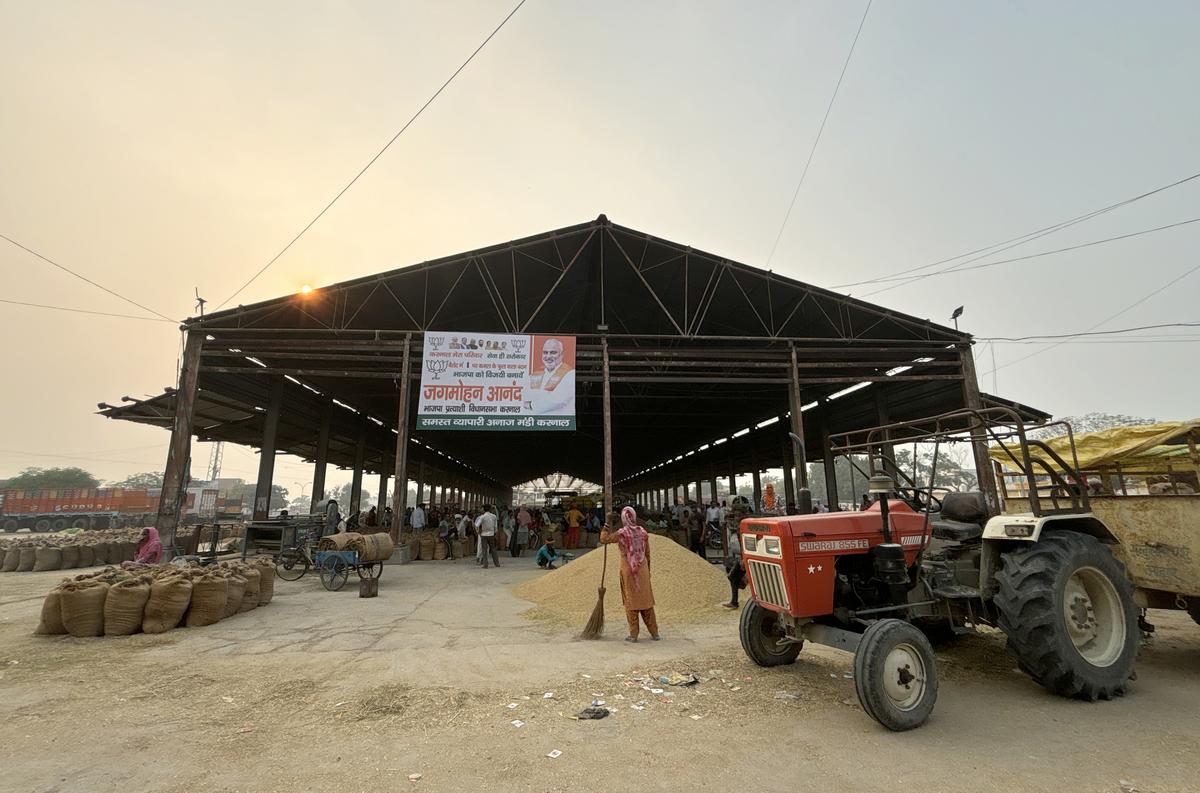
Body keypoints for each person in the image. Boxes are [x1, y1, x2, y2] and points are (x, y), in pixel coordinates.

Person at [600, 506, 660, 643]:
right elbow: (647, 554)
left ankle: (633, 635)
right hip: (642, 569)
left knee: (631, 601)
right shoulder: (643, 532)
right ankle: (655, 633)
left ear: (623, 519)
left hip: (628, 570)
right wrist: (647, 571)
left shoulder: (622, 533)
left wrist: (607, 523)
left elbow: (604, 539)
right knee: (646, 601)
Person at [524, 337, 575, 415]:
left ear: (562, 355)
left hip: (560, 424)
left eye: (553, 352)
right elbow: (524, 398)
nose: (548, 356)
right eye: (545, 352)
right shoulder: (534, 375)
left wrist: (531, 405)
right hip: (535, 424)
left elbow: (557, 400)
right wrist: (546, 396)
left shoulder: (570, 374)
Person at [722, 527, 745, 608]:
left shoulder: (741, 530)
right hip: (742, 558)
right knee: (732, 576)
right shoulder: (738, 531)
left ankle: (741, 584)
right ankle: (734, 601)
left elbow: (743, 546)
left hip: (744, 558)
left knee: (732, 576)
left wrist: (743, 559)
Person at [476, 504, 500, 569]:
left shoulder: (482, 517)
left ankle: (485, 565)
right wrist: (495, 533)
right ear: (490, 509)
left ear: (483, 509)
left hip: (484, 535)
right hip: (491, 534)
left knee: (484, 550)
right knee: (493, 549)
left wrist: (478, 532)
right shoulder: (494, 516)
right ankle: (497, 563)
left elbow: (477, 525)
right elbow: (496, 527)